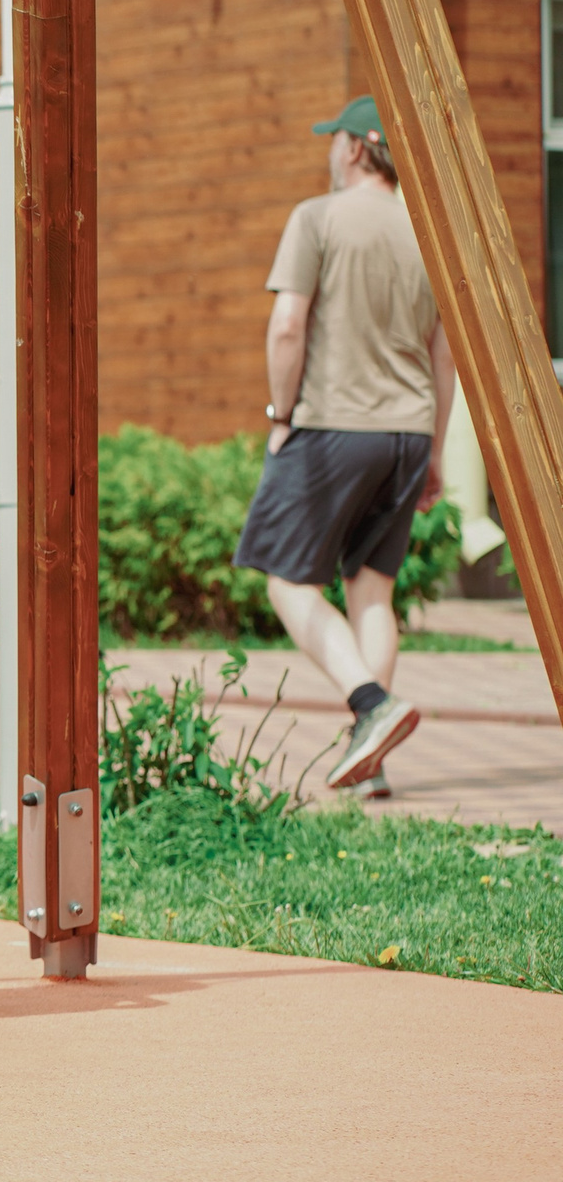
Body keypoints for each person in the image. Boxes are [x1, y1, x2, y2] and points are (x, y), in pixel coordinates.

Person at [233, 96, 452, 798]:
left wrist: (281, 413)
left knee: (284, 577)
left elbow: (287, 327)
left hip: (333, 424)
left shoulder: (318, 218)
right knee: (372, 589)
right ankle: (372, 759)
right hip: (409, 431)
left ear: (357, 147)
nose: (329, 152)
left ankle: (371, 705)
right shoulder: (430, 233)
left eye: (335, 142)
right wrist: (436, 451)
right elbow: (443, 356)